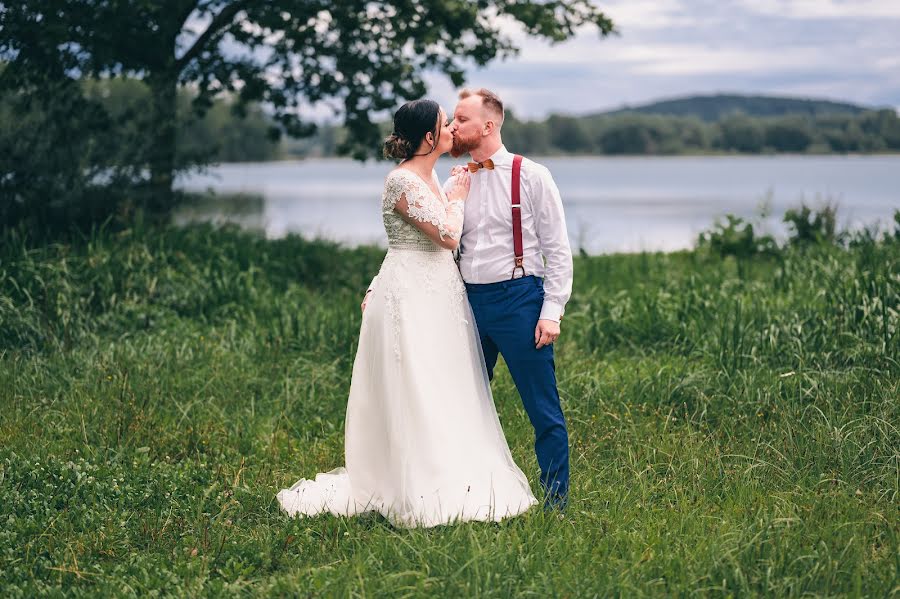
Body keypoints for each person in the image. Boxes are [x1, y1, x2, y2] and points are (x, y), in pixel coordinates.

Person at [276, 99, 537, 528]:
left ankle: (458, 469)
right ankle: (413, 480)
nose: (453, 129)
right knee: (414, 380)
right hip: (411, 295)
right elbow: (448, 236)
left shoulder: (428, 175)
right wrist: (457, 197)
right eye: (444, 125)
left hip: (439, 293)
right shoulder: (401, 182)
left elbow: (401, 242)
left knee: (444, 379)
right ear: (430, 138)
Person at [446, 88, 573, 508]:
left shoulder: (532, 175)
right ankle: (464, 495)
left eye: (460, 120)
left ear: (488, 125)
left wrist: (551, 312)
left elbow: (557, 250)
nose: (451, 127)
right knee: (460, 402)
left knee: (542, 408)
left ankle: (555, 502)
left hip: (519, 300)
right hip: (466, 303)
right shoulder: (455, 179)